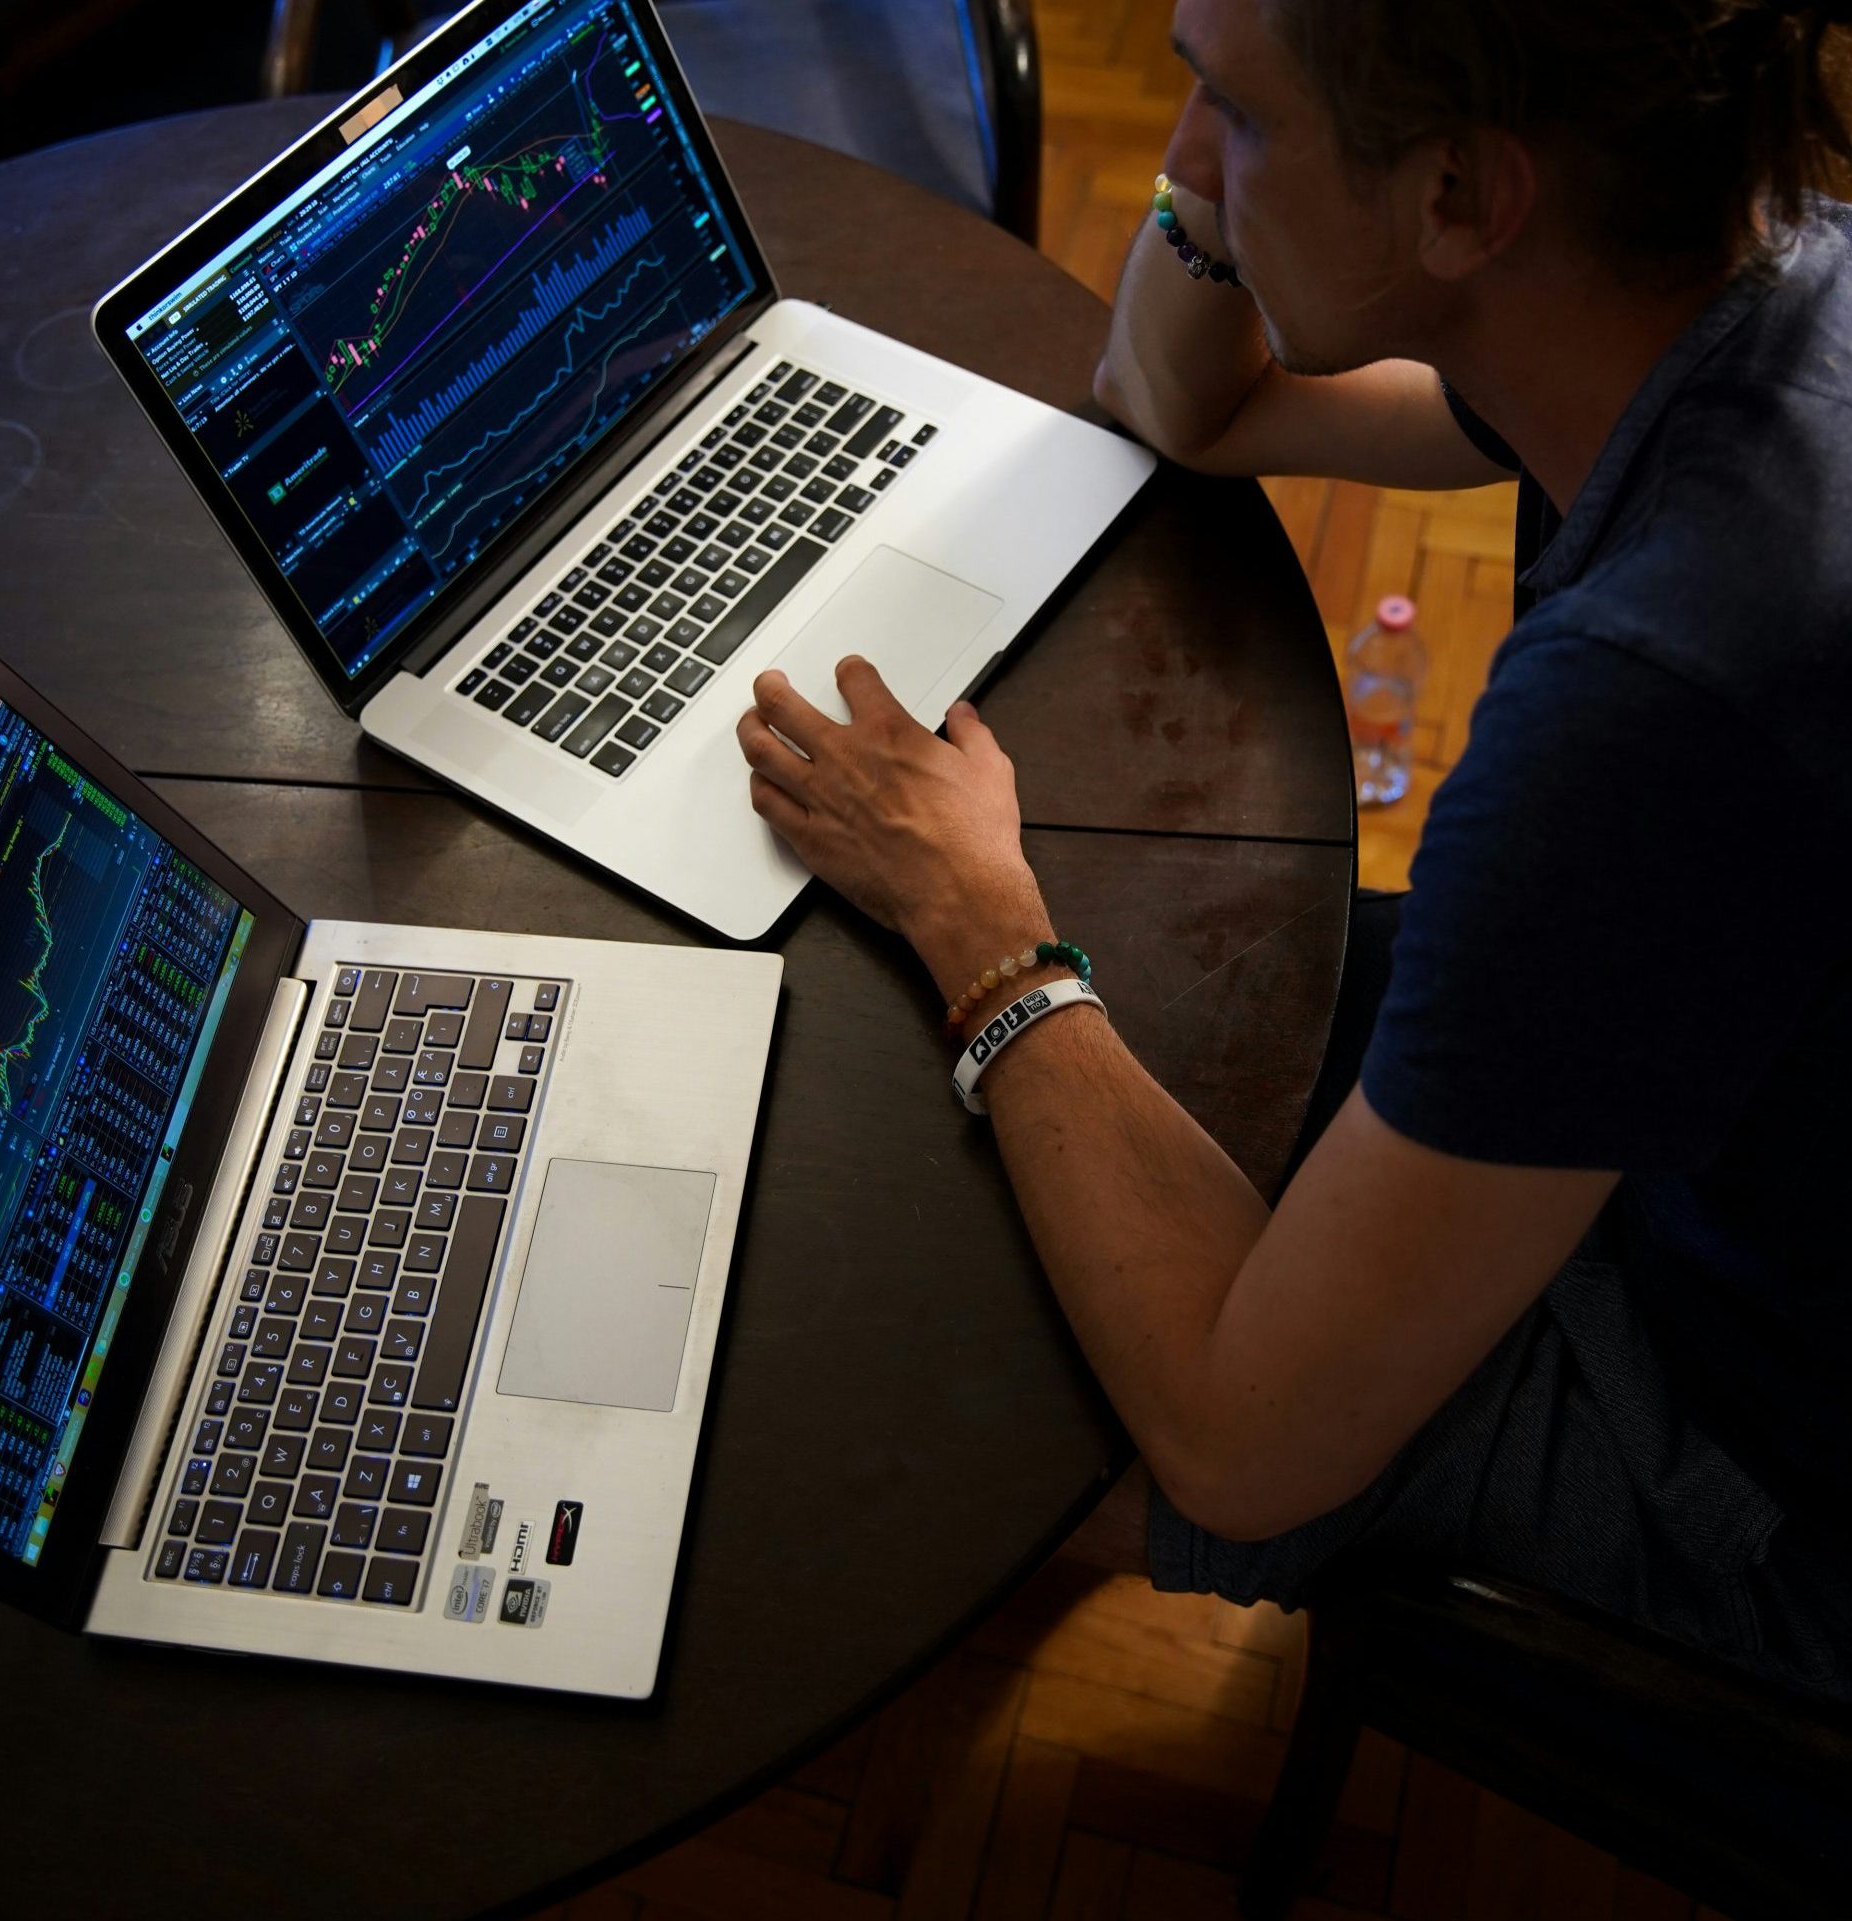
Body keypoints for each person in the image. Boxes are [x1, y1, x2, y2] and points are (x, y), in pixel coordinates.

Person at [734, 0, 1852, 1700]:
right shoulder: (1734, 284)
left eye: (1233, 118)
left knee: (938, 1385)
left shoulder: (1648, 708)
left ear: (1465, 201)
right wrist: (1233, 186)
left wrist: (982, 922)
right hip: (1743, 1133)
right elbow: (1181, 406)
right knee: (1148, 965)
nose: (1179, 164)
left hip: (1764, 1481)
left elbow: (1242, 1439)